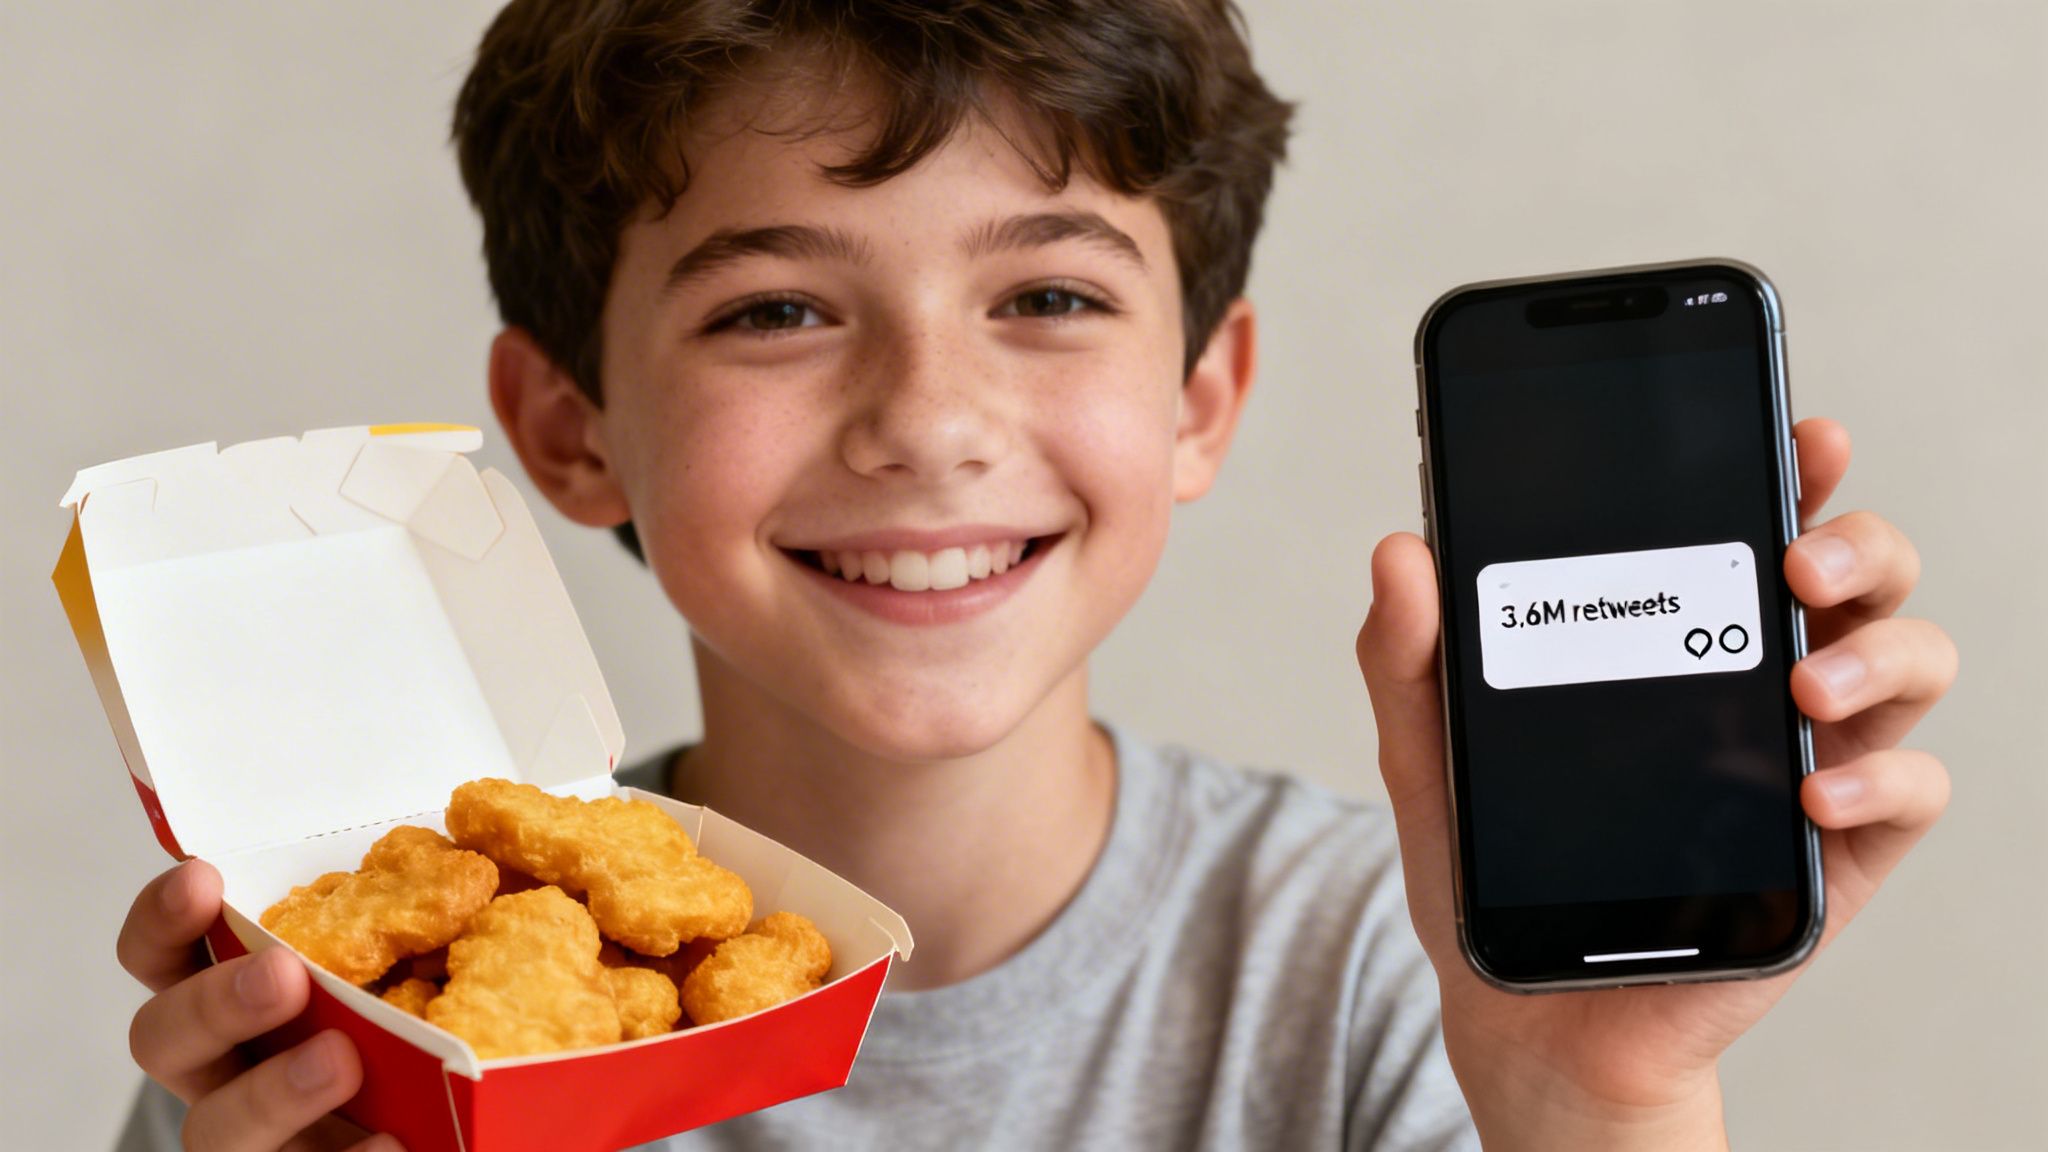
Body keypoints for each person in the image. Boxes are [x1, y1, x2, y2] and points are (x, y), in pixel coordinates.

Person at [111, 2, 1955, 1149]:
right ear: (574, 425)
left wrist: (1604, 1108)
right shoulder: (362, 1040)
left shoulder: (1382, 974)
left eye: (1050, 298)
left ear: (1200, 398)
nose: (929, 419)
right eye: (778, 309)